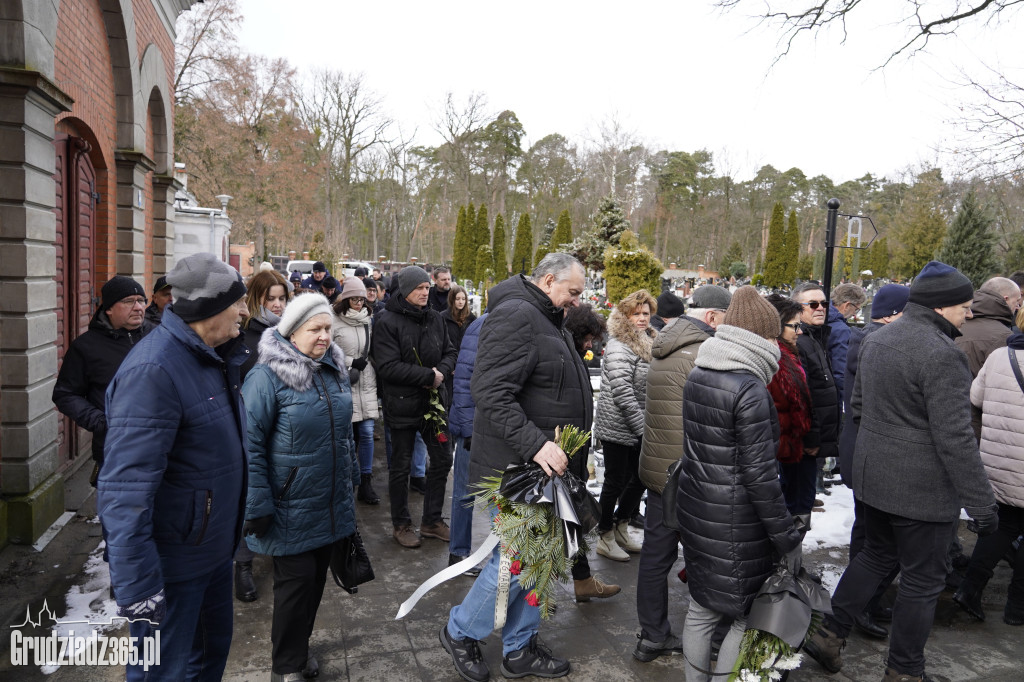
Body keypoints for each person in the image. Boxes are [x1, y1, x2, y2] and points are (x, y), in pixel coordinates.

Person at [805, 261, 999, 682]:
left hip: (876, 477)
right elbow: (955, 437)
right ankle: (905, 671)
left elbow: (858, 408)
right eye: (964, 307)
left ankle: (830, 634)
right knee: (923, 581)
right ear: (942, 306)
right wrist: (982, 503)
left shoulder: (878, 338)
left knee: (875, 556)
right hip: (919, 491)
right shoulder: (941, 354)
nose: (968, 315)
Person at [97, 253, 249, 680]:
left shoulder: (212, 356)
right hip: (172, 568)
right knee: (162, 672)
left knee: (207, 659)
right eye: (237, 301)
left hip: (212, 554)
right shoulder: (154, 370)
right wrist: (140, 590)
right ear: (208, 308)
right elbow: (125, 492)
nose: (245, 311)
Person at [441, 253, 589, 682]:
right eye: (573, 292)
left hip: (546, 471)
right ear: (548, 281)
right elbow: (490, 392)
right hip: (519, 468)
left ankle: (519, 648)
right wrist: (537, 444)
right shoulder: (518, 316)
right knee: (516, 560)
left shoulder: (548, 317)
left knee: (538, 559)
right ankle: (460, 630)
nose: (577, 302)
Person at [677, 286, 802, 681]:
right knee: (743, 617)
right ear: (760, 338)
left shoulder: (701, 371)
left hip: (699, 511)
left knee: (701, 610)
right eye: (774, 335)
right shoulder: (749, 389)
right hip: (736, 524)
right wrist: (785, 534)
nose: (778, 343)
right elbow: (760, 476)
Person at [242, 293, 359, 682]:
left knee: (313, 585)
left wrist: (352, 479)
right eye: (316, 329)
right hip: (289, 504)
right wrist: (257, 503)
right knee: (293, 591)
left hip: (328, 501)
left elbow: (343, 435)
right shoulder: (266, 376)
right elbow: (249, 444)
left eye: (328, 328)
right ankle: (285, 668)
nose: (325, 336)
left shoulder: (332, 370)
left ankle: (299, 650)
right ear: (292, 331)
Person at [634, 288, 727, 662]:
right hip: (692, 475)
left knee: (656, 557)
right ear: (712, 318)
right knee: (707, 555)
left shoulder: (666, 347)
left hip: (660, 472)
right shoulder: (704, 352)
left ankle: (653, 633)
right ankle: (712, 634)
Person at [837, 283, 911, 639]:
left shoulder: (863, 340)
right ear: (894, 314)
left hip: (859, 449)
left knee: (867, 530)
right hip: (867, 450)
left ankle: (861, 602)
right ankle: (859, 605)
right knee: (874, 537)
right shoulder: (877, 345)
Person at [371, 265, 457, 548]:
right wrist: (428, 377)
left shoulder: (435, 318)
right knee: (401, 465)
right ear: (406, 290)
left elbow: (449, 351)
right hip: (402, 405)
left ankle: (432, 520)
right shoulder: (387, 321)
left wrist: (441, 372)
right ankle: (401, 524)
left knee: (443, 459)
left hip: (433, 404)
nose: (425, 292)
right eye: (419, 288)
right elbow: (387, 366)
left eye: (426, 288)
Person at [53, 275, 153, 482]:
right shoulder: (87, 347)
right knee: (120, 511)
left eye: (141, 300)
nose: (138, 307)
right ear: (108, 308)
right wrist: (101, 422)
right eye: (128, 301)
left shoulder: (159, 337)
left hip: (161, 445)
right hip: (114, 449)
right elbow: (65, 394)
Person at [954, 330, 1024, 626]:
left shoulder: (999, 356)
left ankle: (969, 590)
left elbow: (976, 397)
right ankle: (1017, 608)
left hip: (1000, 461)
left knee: (1002, 527)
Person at [593, 290, 658, 562]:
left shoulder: (648, 341)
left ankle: (621, 525)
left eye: (646, 313)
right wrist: (643, 428)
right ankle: (604, 535)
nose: (642, 318)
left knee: (640, 478)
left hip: (637, 423)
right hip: (618, 426)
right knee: (614, 482)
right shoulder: (621, 344)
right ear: (626, 315)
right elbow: (621, 390)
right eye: (637, 313)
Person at [563, 304, 620, 602]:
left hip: (573, 451)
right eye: (588, 337)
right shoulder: (563, 354)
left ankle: (582, 578)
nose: (591, 344)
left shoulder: (575, 356)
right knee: (569, 519)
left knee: (573, 519)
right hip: (560, 453)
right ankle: (581, 578)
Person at [332, 276, 382, 505]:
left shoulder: (367, 320)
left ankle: (366, 480)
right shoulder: (333, 320)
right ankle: (348, 479)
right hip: (345, 379)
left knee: (368, 432)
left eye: (362, 299)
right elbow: (328, 352)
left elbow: (370, 349)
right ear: (346, 299)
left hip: (366, 380)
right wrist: (351, 361)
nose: (359, 303)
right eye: (354, 299)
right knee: (349, 436)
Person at [791, 282, 841, 503]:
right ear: (798, 309)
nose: (820, 307)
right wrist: (811, 438)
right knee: (798, 500)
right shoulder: (799, 342)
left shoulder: (815, 338)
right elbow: (802, 396)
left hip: (815, 440)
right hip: (803, 444)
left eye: (824, 303)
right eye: (813, 304)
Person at [765, 294, 814, 518]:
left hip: (791, 448)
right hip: (786, 451)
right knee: (792, 507)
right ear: (777, 325)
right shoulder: (776, 360)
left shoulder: (788, 354)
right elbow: (791, 407)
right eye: (795, 326)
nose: (800, 332)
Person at [954, 276, 1022, 377]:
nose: (1018, 307)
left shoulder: (953, 326)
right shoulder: (1004, 336)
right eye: (1017, 301)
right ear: (1006, 299)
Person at [240, 270, 290, 381]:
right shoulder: (239, 334)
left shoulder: (292, 332)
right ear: (255, 299)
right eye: (270, 299)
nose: (278, 305)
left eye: (281, 298)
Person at [828, 282, 867, 396]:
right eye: (856, 309)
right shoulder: (842, 330)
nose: (855, 314)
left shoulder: (821, 315)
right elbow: (841, 371)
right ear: (846, 305)